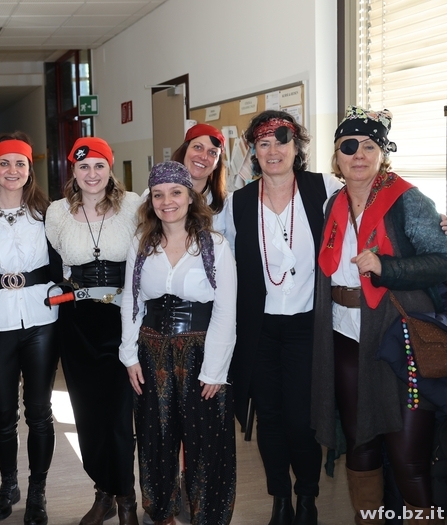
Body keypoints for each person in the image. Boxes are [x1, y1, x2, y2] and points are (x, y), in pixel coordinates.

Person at [311, 106, 447, 524]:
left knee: (408, 456)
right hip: (344, 336)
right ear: (336, 156)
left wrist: (387, 268)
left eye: (369, 146)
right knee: (361, 446)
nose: (359, 154)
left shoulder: (406, 199)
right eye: (348, 146)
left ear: (383, 154)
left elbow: (441, 260)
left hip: (398, 337)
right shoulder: (332, 204)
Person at [222, 110, 343, 525]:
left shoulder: (324, 189)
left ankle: (307, 496)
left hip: (307, 326)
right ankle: (280, 499)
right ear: (253, 151)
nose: (273, 150)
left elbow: (367, 209)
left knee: (301, 418)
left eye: (282, 140)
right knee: (269, 418)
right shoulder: (238, 203)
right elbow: (221, 260)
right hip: (258, 330)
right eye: (263, 143)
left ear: (297, 146)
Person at [120, 160, 237, 525]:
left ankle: (209, 515)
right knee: (155, 437)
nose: (166, 201)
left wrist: (215, 369)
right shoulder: (141, 245)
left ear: (190, 197)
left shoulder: (215, 245)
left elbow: (226, 310)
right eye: (158, 195)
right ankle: (161, 512)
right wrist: (129, 355)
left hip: (201, 352)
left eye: (175, 192)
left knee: (206, 440)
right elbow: (131, 301)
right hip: (151, 351)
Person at [45, 137, 140, 525]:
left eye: (99, 165)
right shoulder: (57, 213)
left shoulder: (133, 205)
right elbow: (58, 263)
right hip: (78, 323)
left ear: (110, 169)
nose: (92, 174)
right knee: (87, 414)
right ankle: (103, 493)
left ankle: (127, 498)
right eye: (83, 167)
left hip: (122, 320)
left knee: (118, 414)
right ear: (73, 171)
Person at [0, 132, 60, 525]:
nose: (12, 170)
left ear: (29, 169)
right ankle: (8, 484)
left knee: (39, 411)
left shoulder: (49, 213)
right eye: (4, 163)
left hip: (42, 320)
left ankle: (38, 490)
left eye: (19, 163)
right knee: (2, 412)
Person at [171, 123, 228, 230]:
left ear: (217, 164)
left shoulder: (227, 205)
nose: (203, 156)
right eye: (198, 147)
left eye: (212, 152)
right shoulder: (155, 196)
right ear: (184, 151)